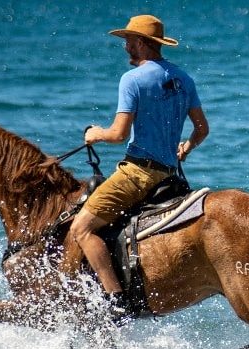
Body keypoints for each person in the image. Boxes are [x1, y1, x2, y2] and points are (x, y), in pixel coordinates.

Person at [63, 14, 209, 315]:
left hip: (139, 173)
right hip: (169, 174)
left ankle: (114, 300)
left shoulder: (133, 79)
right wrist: (186, 147)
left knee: (82, 228)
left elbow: (118, 135)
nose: (126, 46)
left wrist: (95, 134)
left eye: (129, 41)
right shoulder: (184, 78)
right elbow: (202, 129)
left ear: (141, 43)